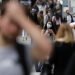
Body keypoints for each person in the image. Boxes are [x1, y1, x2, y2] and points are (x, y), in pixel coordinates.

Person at [0, 0, 52, 75]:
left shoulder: (23, 51)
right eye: (11, 22)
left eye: (18, 25)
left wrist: (22, 18)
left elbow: (47, 49)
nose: (14, 29)